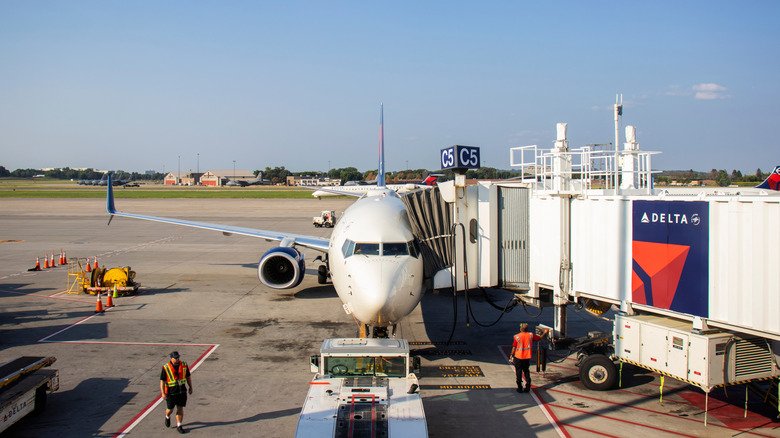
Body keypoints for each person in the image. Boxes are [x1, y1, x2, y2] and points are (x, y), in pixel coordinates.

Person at [510, 323, 548, 393]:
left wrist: (511, 354)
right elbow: (539, 338)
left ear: (521, 329)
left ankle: (519, 387)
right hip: (526, 357)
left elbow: (514, 347)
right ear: (527, 329)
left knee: (518, 372)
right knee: (526, 371)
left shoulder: (517, 336)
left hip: (518, 357)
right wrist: (545, 332)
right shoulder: (530, 335)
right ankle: (527, 386)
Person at [161, 351, 193, 434]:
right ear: (171, 358)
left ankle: (179, 425)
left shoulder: (184, 365)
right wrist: (163, 393)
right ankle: (167, 416)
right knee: (170, 409)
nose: (177, 359)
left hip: (181, 391)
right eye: (175, 358)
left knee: (180, 408)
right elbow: (163, 381)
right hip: (171, 393)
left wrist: (190, 387)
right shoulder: (166, 367)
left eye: (178, 357)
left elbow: (188, 376)